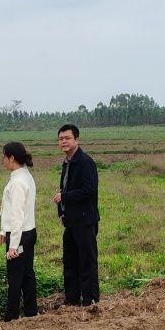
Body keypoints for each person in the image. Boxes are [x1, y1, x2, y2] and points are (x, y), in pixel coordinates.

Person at [52, 124, 100, 306]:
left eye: (67, 138)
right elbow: (63, 188)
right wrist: (62, 211)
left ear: (76, 140)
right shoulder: (67, 163)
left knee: (87, 262)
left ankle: (91, 300)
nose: (63, 141)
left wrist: (65, 197)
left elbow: (89, 190)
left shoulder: (85, 162)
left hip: (85, 220)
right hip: (70, 221)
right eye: (60, 139)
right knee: (70, 262)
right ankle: (72, 300)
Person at [0, 141, 38, 321]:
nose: (2, 160)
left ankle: (12, 316)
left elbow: (17, 216)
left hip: (19, 234)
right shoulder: (24, 176)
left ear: (12, 158)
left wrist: (13, 245)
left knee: (15, 276)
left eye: (4, 156)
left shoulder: (18, 182)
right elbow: (10, 210)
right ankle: (31, 311)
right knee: (27, 273)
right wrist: (2, 230)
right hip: (28, 232)